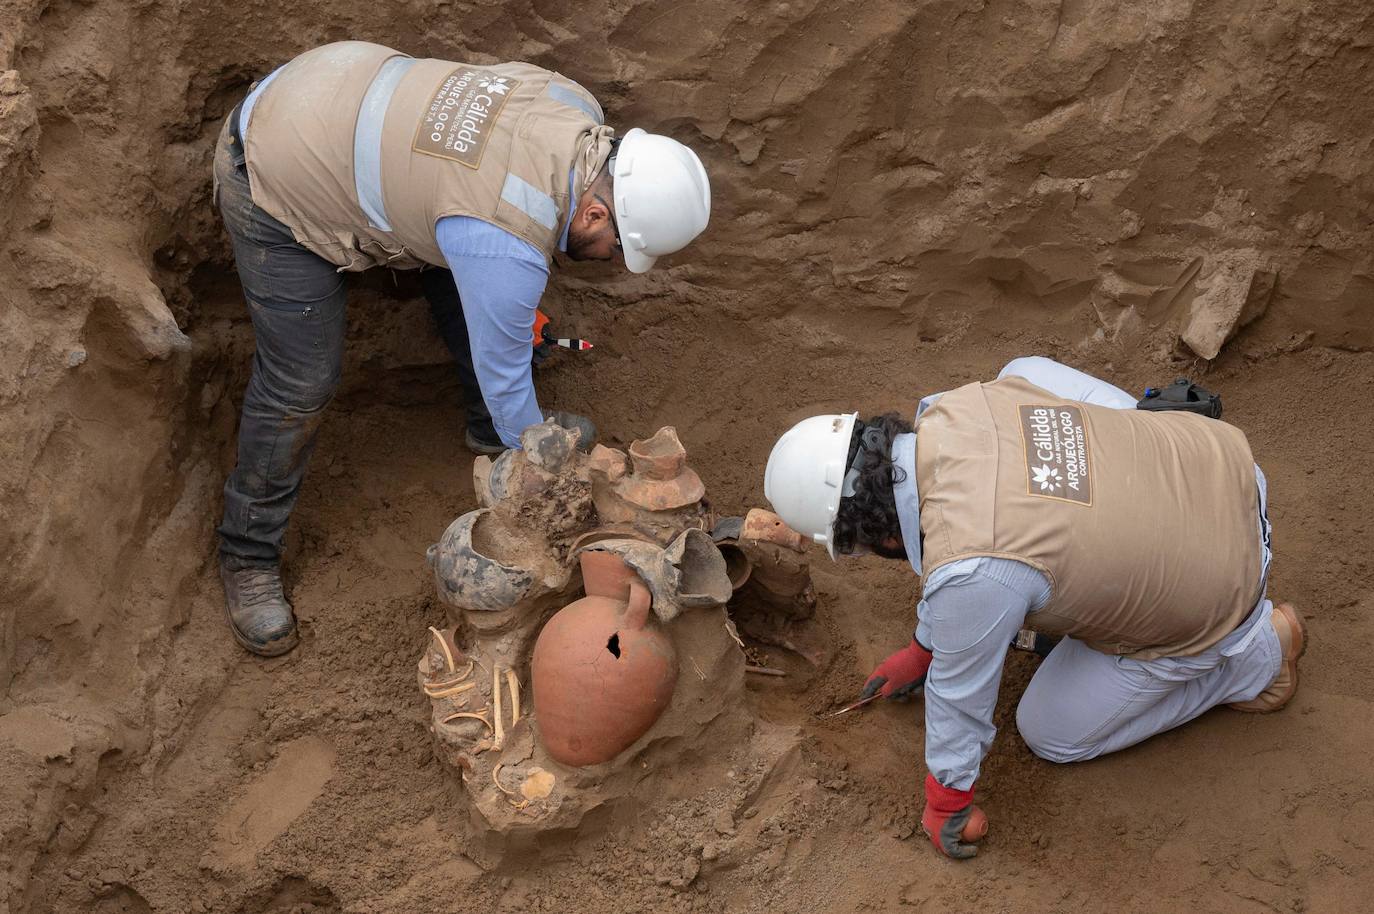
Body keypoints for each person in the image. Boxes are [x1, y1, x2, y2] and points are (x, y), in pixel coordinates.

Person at [213, 41, 712, 657]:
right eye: (616, 248)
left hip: (332, 84)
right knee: (301, 381)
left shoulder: (571, 106)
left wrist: (504, 312)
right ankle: (247, 554)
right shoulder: (503, 251)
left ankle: (478, 428)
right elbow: (515, 404)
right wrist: (546, 463)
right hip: (275, 169)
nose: (612, 263)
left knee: (464, 260)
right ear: (595, 210)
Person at [763, 357, 1304, 859]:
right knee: (1025, 373)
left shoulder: (970, 570)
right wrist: (922, 649)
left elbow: (960, 698)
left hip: (1223, 582)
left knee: (1049, 732)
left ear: (872, 539)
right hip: (1220, 463)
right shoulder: (955, 405)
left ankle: (1257, 659)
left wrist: (947, 803)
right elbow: (960, 555)